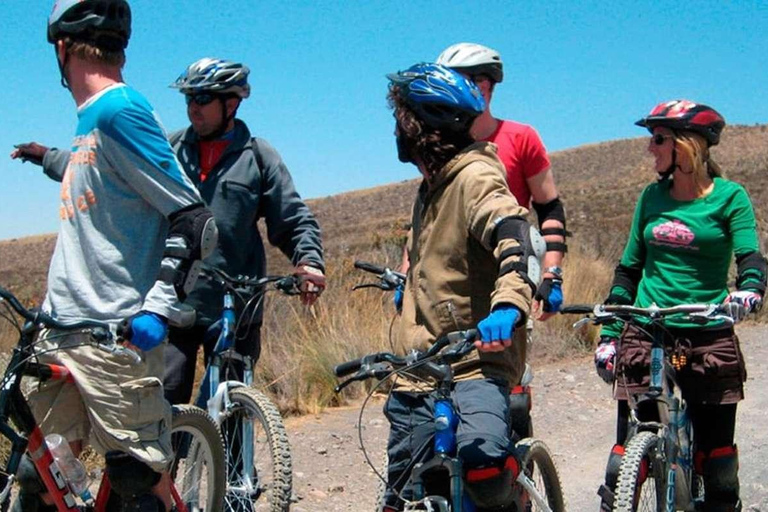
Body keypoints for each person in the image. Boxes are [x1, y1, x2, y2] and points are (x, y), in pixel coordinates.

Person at [9, 1, 217, 511]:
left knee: (135, 486)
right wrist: (43, 158)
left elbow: (195, 221)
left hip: (112, 340)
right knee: (39, 482)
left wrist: (157, 304)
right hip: (60, 334)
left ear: (61, 47)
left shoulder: (120, 109)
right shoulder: (89, 124)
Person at [382, 62, 542, 512]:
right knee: (404, 492)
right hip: (418, 368)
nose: (396, 129)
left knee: (484, 468)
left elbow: (515, 235)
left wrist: (509, 306)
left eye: (401, 118)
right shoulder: (428, 189)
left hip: (476, 361)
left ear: (422, 124)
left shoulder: (474, 177)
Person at [593, 100, 765, 512]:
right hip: (648, 329)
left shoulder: (730, 198)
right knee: (626, 456)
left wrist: (749, 289)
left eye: (658, 140)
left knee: (717, 461)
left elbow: (750, 257)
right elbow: (629, 270)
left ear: (687, 146)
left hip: (707, 332)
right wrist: (609, 336)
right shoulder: (651, 197)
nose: (650, 149)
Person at [163, 57, 325, 406]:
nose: (193, 108)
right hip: (174, 300)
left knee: (231, 410)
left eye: (203, 99)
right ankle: (165, 463)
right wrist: (52, 159)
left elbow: (292, 218)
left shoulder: (257, 156)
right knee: (163, 410)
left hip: (236, 303)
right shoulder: (171, 150)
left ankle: (237, 463)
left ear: (231, 103)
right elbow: (114, 175)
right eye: (189, 98)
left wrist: (308, 261)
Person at [436, 42, 567, 318]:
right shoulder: (441, 145)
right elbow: (430, 216)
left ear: (484, 85)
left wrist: (551, 275)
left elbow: (549, 207)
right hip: (448, 285)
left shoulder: (521, 138)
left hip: (506, 279)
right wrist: (406, 271)